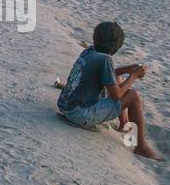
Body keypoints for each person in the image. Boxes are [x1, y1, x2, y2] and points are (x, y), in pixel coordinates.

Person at [56, 21, 162, 161]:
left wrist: (126, 69)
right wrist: (134, 76)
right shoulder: (105, 59)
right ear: (116, 47)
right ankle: (141, 146)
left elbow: (105, 75)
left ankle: (124, 123)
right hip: (79, 114)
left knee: (116, 78)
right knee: (134, 96)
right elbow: (116, 94)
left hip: (66, 105)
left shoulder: (89, 51)